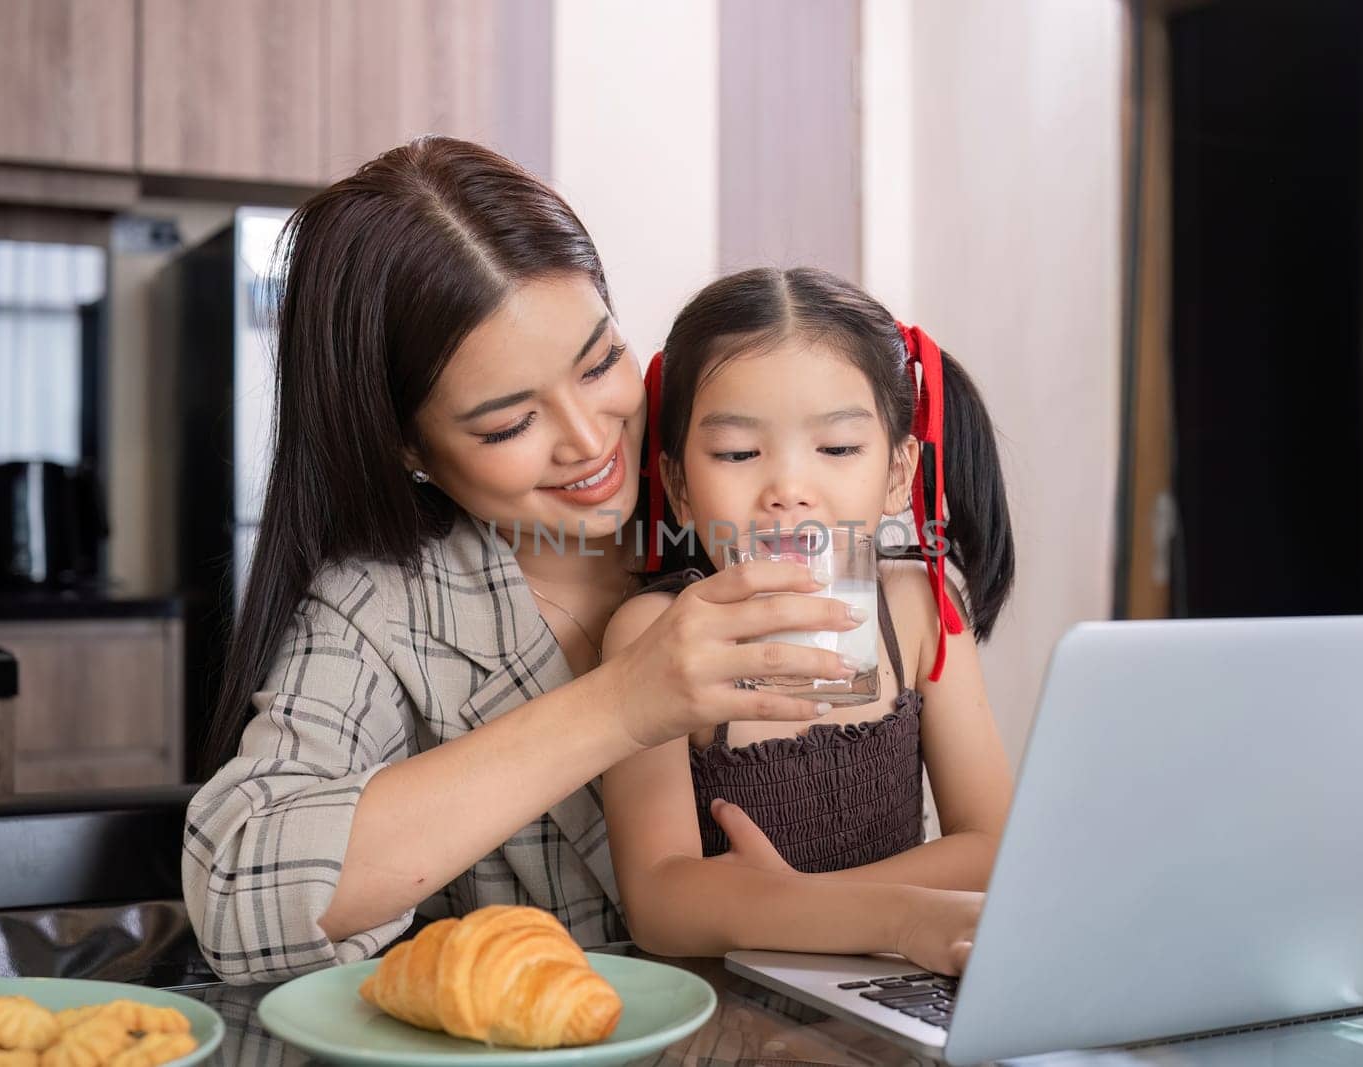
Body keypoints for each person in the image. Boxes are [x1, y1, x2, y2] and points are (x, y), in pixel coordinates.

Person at [181, 139, 868, 983]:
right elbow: (236, 888)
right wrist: (620, 702)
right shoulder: (385, 608)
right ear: (409, 446)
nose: (589, 440)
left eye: (601, 362)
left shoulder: (750, 498)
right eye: (508, 425)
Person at [600, 267, 1016, 976]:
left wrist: (791, 903)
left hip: (904, 982)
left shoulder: (918, 607)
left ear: (897, 472)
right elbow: (662, 906)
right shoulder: (654, 634)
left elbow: (997, 846)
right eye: (737, 453)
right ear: (679, 487)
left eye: (837, 448)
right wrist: (894, 910)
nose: (788, 491)